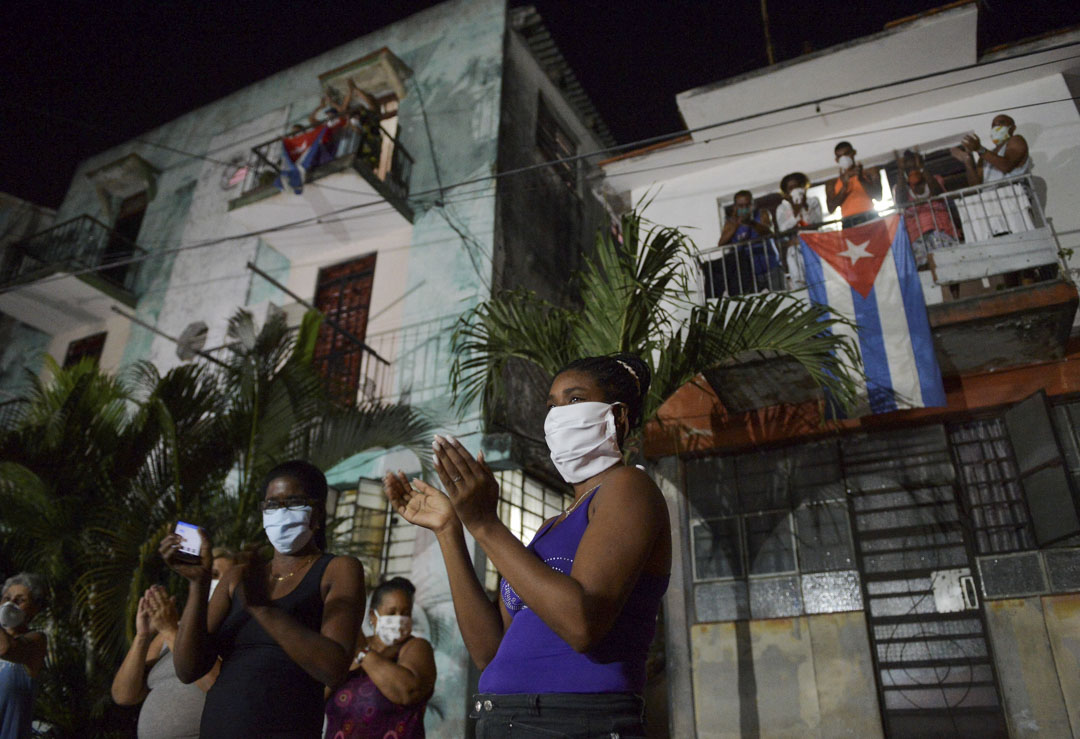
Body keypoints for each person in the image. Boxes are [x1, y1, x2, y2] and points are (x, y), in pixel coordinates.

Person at [384, 354, 671, 737]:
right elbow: (490, 653)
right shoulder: (551, 527)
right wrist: (451, 530)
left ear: (617, 417)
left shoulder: (629, 488)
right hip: (503, 718)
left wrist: (485, 524)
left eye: (573, 400)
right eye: (550, 405)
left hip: (574, 720)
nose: (556, 415)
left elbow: (581, 624)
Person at [160, 460, 366, 739]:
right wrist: (199, 583)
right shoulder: (236, 578)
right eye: (272, 505)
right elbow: (187, 669)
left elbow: (333, 669)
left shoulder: (338, 570)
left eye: (292, 503)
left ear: (317, 513)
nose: (281, 513)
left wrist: (265, 610)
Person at [324, 577, 436, 738]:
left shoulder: (416, 648)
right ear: (373, 616)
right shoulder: (349, 647)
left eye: (405, 613)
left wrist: (362, 653)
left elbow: (408, 692)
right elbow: (314, 698)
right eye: (391, 612)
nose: (399, 620)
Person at [111, 585, 218, 738]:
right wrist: (143, 636)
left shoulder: (230, 629)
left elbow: (220, 687)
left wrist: (169, 630)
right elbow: (123, 695)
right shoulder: (170, 631)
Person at [892, 150, 958, 269]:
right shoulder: (900, 187)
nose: (912, 168)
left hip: (941, 230)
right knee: (924, 269)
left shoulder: (935, 179)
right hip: (917, 235)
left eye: (914, 165)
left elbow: (937, 193)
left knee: (949, 264)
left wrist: (922, 168)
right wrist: (901, 170)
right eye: (908, 166)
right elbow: (900, 202)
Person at [709, 190, 783, 296]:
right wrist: (737, 224)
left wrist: (751, 223)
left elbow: (769, 232)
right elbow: (721, 244)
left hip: (771, 267)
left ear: (753, 204)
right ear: (735, 207)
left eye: (747, 205)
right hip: (749, 273)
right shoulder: (730, 222)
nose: (744, 209)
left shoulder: (762, 214)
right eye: (740, 206)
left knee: (781, 299)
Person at [0, 573, 46, 739]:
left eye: (20, 600)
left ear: (34, 609)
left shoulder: (36, 640)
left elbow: (5, 649)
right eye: (7, 598)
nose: (10, 604)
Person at [775, 172, 823, 289]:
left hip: (814, 246)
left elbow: (817, 222)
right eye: (791, 188)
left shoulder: (813, 202)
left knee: (819, 280)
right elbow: (783, 228)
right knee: (799, 283)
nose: (795, 190)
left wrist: (804, 207)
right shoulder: (782, 208)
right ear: (786, 193)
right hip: (795, 250)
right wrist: (795, 212)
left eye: (797, 186)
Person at [956, 114, 1031, 185]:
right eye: (993, 125)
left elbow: (1006, 166)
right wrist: (967, 161)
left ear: (1012, 128)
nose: (996, 127)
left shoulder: (1016, 140)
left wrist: (980, 149)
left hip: (1016, 193)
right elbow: (976, 186)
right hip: (992, 196)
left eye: (1001, 123)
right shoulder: (984, 157)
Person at [826, 141, 882, 226]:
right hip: (849, 223)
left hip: (871, 217)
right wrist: (844, 187)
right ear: (836, 160)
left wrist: (861, 179)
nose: (844, 158)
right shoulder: (832, 183)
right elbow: (831, 209)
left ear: (854, 153)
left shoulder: (869, 173)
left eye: (847, 154)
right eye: (840, 157)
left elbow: (878, 197)